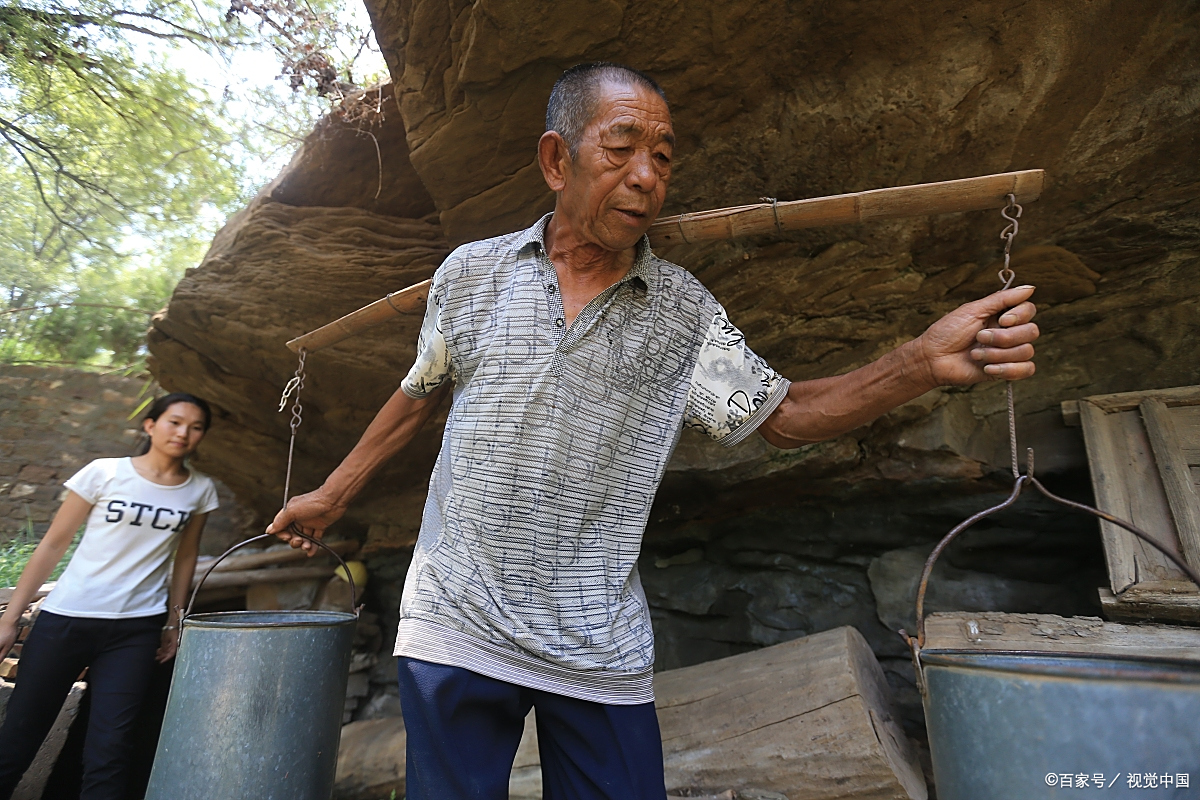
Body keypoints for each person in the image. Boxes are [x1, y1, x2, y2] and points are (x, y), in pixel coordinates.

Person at [269, 62, 1039, 800]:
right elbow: (420, 390)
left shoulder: (683, 314)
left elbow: (787, 416)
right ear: (555, 160)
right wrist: (334, 493)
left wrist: (920, 363)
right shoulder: (470, 274)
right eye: (622, 146)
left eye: (663, 158)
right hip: (457, 618)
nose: (646, 176)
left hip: (596, 640)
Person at [0, 393, 219, 800]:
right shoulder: (103, 473)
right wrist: (10, 619)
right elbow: (52, 544)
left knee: (111, 750)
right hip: (66, 620)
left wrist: (175, 620)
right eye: (174, 422)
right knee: (18, 737)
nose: (184, 433)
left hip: (135, 632)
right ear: (150, 425)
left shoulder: (199, 491)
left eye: (196, 426)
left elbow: (185, 556)